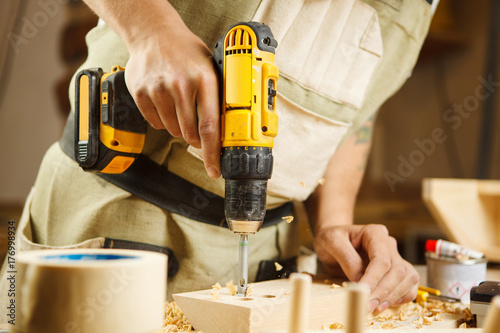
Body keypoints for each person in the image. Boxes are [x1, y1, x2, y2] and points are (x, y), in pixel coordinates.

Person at [0, 0, 435, 324]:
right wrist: (151, 30)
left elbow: (352, 108)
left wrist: (334, 224)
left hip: (268, 256)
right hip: (114, 213)